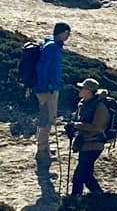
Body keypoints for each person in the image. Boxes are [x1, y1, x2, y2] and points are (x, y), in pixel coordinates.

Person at [65, 78, 110, 196]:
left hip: (94, 144)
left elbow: (98, 127)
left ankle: (75, 200)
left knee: (79, 176)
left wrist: (76, 126)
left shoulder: (100, 107)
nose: (79, 89)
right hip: (85, 144)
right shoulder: (83, 103)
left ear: (89, 91)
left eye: (82, 88)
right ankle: (99, 196)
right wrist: (73, 127)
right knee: (86, 175)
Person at [33, 22, 69, 162]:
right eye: (67, 33)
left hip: (50, 87)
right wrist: (45, 86)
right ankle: (42, 150)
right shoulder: (52, 47)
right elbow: (42, 68)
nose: (68, 36)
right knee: (46, 119)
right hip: (47, 90)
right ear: (61, 32)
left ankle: (44, 147)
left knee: (47, 118)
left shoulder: (53, 45)